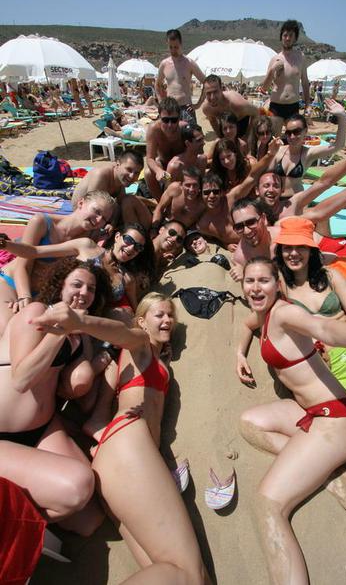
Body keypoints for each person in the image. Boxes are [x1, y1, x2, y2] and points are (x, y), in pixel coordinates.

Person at [236, 256, 346, 585]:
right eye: (250, 281)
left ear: (278, 284)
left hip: (339, 418)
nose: (256, 288)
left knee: (268, 503)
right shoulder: (263, 314)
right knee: (249, 421)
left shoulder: (285, 313)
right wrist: (239, 352)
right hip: (311, 410)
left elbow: (326, 329)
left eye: (264, 281)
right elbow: (248, 324)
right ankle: (326, 474)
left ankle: (318, 465)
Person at [29, 293, 208, 584]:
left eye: (170, 315)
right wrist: (81, 322)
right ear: (142, 321)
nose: (167, 320)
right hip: (129, 445)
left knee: (175, 574)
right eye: (159, 314)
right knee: (189, 573)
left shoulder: (155, 358)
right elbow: (121, 333)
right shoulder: (140, 344)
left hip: (124, 460)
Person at [0, 259, 112, 536]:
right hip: (3, 433)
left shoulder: (79, 335)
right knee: (77, 487)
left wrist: (96, 359)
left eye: (91, 289)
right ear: (60, 286)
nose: (84, 292)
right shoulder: (37, 313)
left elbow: (80, 387)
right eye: (77, 284)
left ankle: (21, 500)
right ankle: (15, 528)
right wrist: (59, 331)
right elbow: (22, 379)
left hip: (43, 428)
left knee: (89, 521)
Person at [0, 190, 115, 336]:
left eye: (104, 219)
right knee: (7, 332)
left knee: (32, 334)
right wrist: (24, 298)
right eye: (97, 211)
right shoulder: (42, 222)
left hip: (41, 296)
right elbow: (23, 265)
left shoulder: (91, 237)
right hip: (12, 284)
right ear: (81, 203)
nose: (98, 220)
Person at [0, 223, 154, 312]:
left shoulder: (127, 279)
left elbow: (136, 310)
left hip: (83, 325)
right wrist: (5, 244)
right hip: (50, 306)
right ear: (118, 236)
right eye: (129, 240)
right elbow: (34, 252)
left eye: (138, 247)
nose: (131, 248)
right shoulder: (87, 246)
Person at [268, 100, 346, 199]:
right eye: (288, 133)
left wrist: (342, 117)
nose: (292, 136)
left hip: (296, 200)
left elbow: (338, 145)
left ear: (305, 131)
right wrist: (270, 154)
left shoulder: (308, 154)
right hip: (275, 200)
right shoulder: (278, 150)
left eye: (297, 132)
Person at [71, 151, 150, 231]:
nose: (132, 176)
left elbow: (121, 201)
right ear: (118, 165)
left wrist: (113, 223)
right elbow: (89, 209)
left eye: (136, 173)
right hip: (85, 218)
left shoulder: (121, 178)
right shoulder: (101, 175)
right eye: (129, 170)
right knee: (130, 203)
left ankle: (148, 226)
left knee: (130, 201)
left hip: (101, 214)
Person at [261, 20, 310, 135]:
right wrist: (272, 70)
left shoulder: (300, 57)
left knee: (293, 139)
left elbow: (305, 83)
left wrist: (308, 105)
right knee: (274, 139)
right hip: (276, 105)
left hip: (293, 105)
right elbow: (264, 88)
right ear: (281, 37)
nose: (287, 38)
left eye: (291, 35)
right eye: (285, 35)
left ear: (295, 38)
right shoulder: (275, 59)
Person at [156, 28, 206, 124]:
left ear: (181, 44)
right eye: (170, 47)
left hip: (186, 108)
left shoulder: (189, 63)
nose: (173, 50)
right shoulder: (164, 64)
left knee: (190, 133)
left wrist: (198, 104)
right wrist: (160, 101)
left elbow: (206, 83)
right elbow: (157, 84)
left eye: (176, 47)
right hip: (170, 109)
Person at [144, 97, 188, 200]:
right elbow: (149, 158)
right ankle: (161, 203)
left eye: (174, 120)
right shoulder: (154, 129)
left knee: (175, 166)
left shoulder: (184, 129)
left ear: (179, 118)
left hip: (180, 167)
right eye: (165, 120)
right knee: (148, 173)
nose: (169, 125)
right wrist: (158, 170)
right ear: (159, 117)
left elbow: (195, 153)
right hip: (164, 165)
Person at [201, 74, 259, 139]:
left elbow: (256, 112)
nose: (212, 97)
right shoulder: (207, 108)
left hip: (242, 122)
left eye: (215, 92)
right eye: (208, 93)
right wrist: (220, 137)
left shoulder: (237, 103)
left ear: (221, 89)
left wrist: (248, 136)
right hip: (225, 124)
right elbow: (212, 120)